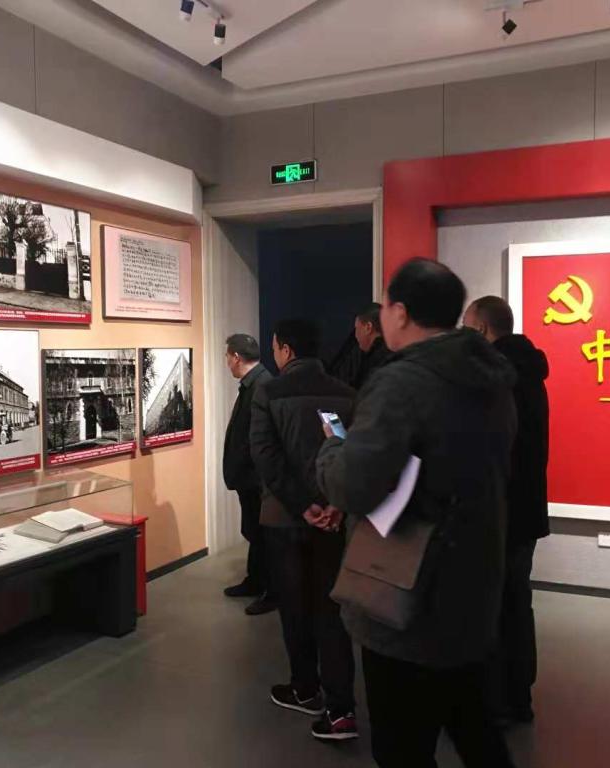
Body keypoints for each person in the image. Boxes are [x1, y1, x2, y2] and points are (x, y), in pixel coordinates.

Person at [316, 259, 517, 767]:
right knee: (475, 729)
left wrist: (332, 448)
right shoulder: (491, 378)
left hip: (407, 595)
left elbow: (354, 484)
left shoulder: (402, 382)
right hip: (474, 584)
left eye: (385, 307)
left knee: (402, 747)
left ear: (400, 312)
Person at [250, 318, 359, 742]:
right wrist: (334, 504)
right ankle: (341, 708)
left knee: (294, 608)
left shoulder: (269, 392)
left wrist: (301, 505)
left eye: (275, 347)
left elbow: (266, 457)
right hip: (332, 520)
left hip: (285, 518)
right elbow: (352, 455)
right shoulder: (346, 393)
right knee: (331, 610)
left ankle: (305, 689)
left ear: (286, 350)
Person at [463, 295, 550, 724]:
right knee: (517, 602)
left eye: (466, 327)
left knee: (492, 606)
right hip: (526, 509)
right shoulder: (530, 373)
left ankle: (494, 701)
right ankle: (519, 696)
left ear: (481, 329)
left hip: (497, 511)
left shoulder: (494, 379)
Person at [221, 333, 277, 616]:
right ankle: (255, 581)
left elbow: (261, 438)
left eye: (227, 356)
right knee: (255, 532)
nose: (226, 362)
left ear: (236, 357)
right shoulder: (254, 384)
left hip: (257, 480)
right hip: (250, 478)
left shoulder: (261, 386)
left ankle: (271, 590)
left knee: (263, 535)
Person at [352, 302, 391, 389]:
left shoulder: (374, 361)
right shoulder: (393, 353)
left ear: (368, 327)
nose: (355, 335)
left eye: (357, 328)